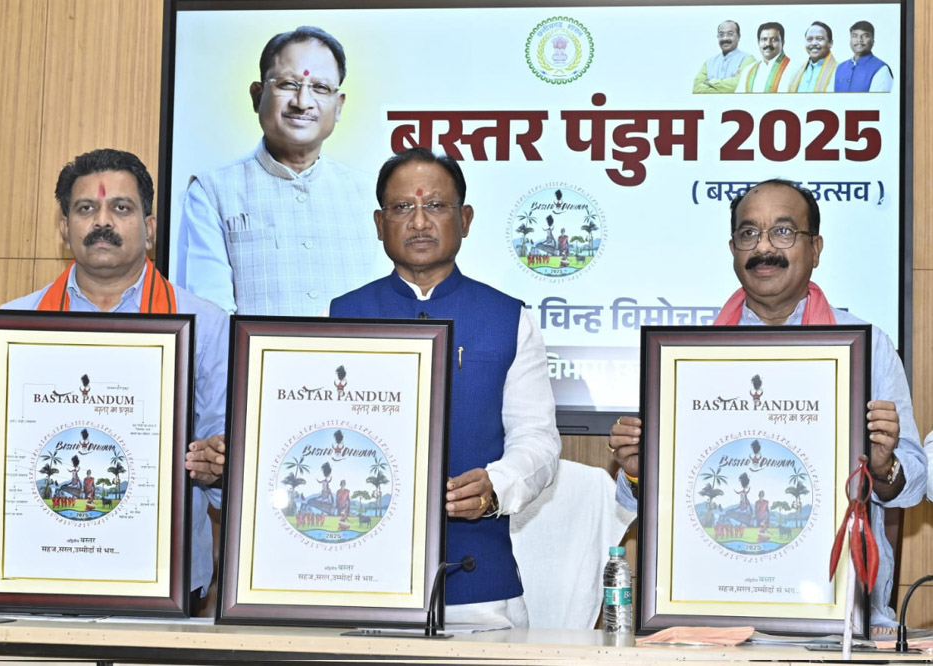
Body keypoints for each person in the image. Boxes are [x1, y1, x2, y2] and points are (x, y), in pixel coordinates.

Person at [609, 179, 926, 630]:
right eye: (748, 233)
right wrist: (640, 470)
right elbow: (644, 501)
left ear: (816, 249)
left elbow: (914, 486)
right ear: (733, 249)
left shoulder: (867, 348)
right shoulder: (685, 357)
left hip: (837, 620)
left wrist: (883, 466)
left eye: (782, 231)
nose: (763, 248)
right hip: (711, 613)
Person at [0, 149, 229, 609]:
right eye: (86, 208)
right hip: (39, 574)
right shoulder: (14, 324)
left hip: (164, 584)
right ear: (64, 226)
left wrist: (218, 465)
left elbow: (227, 462)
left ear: (150, 228)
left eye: (121, 208)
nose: (102, 221)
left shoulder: (206, 325)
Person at [330, 148, 563, 628]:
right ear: (379, 223)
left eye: (435, 206)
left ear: (466, 219)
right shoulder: (338, 318)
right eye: (402, 207)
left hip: (478, 592)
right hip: (358, 583)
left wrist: (496, 486)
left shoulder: (508, 318)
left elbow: (538, 440)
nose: (419, 222)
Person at [177, 26, 381, 315]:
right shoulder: (211, 193)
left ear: (338, 106)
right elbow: (211, 318)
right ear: (257, 95)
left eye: (320, 88)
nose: (302, 102)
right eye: (288, 84)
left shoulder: (370, 195)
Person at [693, 20, 755, 94]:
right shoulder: (709, 63)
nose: (725, 38)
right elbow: (696, 88)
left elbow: (741, 85)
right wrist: (727, 87)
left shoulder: (748, 59)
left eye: (730, 34)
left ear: (738, 37)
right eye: (721, 35)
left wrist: (709, 83)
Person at [735, 22, 796, 93]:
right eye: (764, 39)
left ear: (782, 43)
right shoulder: (748, 70)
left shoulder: (793, 69)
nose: (768, 44)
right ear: (758, 42)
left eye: (774, 40)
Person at [834, 21, 893, 92]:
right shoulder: (840, 67)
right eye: (855, 36)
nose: (859, 40)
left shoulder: (881, 69)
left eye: (865, 36)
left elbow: (878, 99)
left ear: (873, 41)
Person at [790, 21, 837, 92]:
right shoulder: (796, 71)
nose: (814, 43)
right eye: (809, 39)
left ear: (830, 43)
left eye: (819, 39)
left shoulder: (839, 71)